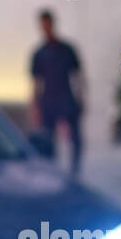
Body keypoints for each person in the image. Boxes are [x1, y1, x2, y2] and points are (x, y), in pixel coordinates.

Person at [30, 10, 85, 174]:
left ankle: (75, 171)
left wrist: (81, 98)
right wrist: (35, 106)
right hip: (48, 100)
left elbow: (77, 76)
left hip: (66, 98)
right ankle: (52, 171)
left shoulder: (67, 49)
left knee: (75, 140)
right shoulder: (39, 53)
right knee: (48, 140)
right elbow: (35, 82)